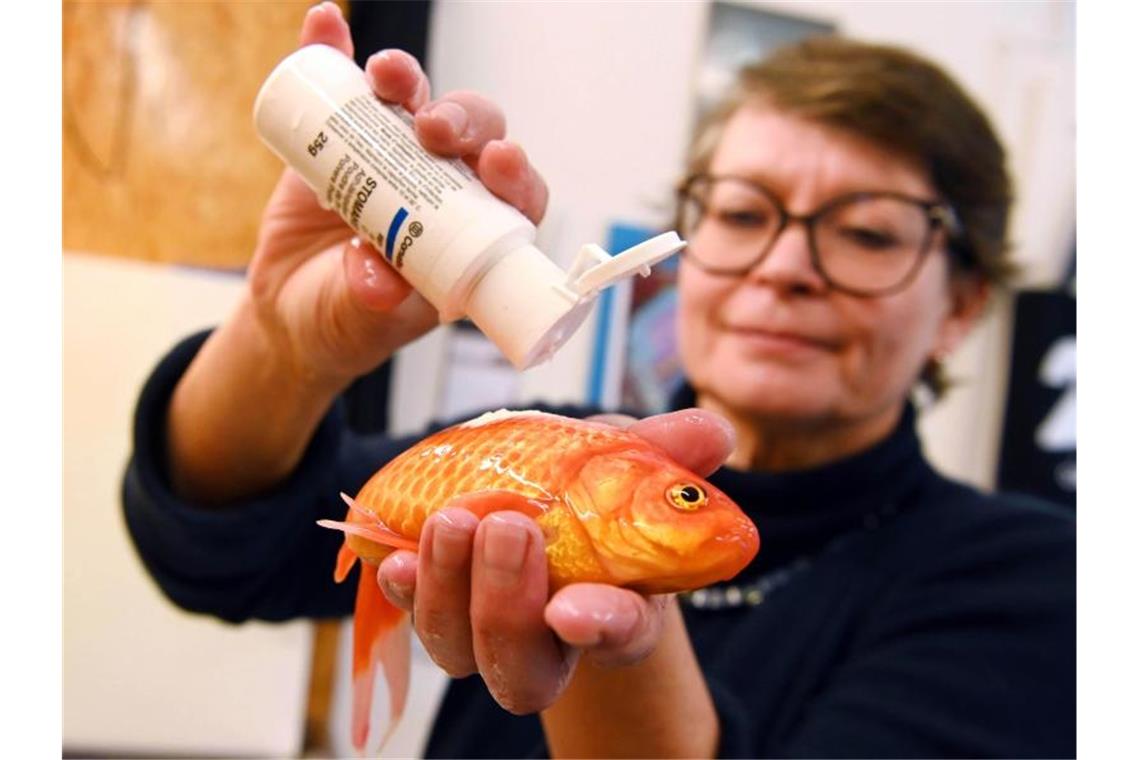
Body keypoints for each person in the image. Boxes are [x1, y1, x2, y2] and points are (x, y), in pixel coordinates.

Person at [122, 3, 1075, 757]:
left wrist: (621, 641)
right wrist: (289, 347)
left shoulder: (1040, 583)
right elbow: (222, 545)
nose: (785, 266)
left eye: (868, 233)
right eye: (743, 215)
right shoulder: (556, 441)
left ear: (962, 308)